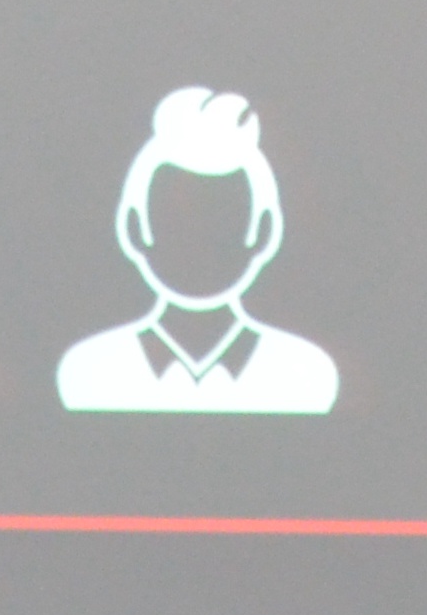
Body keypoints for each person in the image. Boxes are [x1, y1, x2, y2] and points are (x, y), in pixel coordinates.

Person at [56, 88, 337, 413]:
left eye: (222, 216)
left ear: (264, 231)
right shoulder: (88, 370)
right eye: (175, 219)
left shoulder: (308, 374)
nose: (197, 242)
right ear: (134, 228)